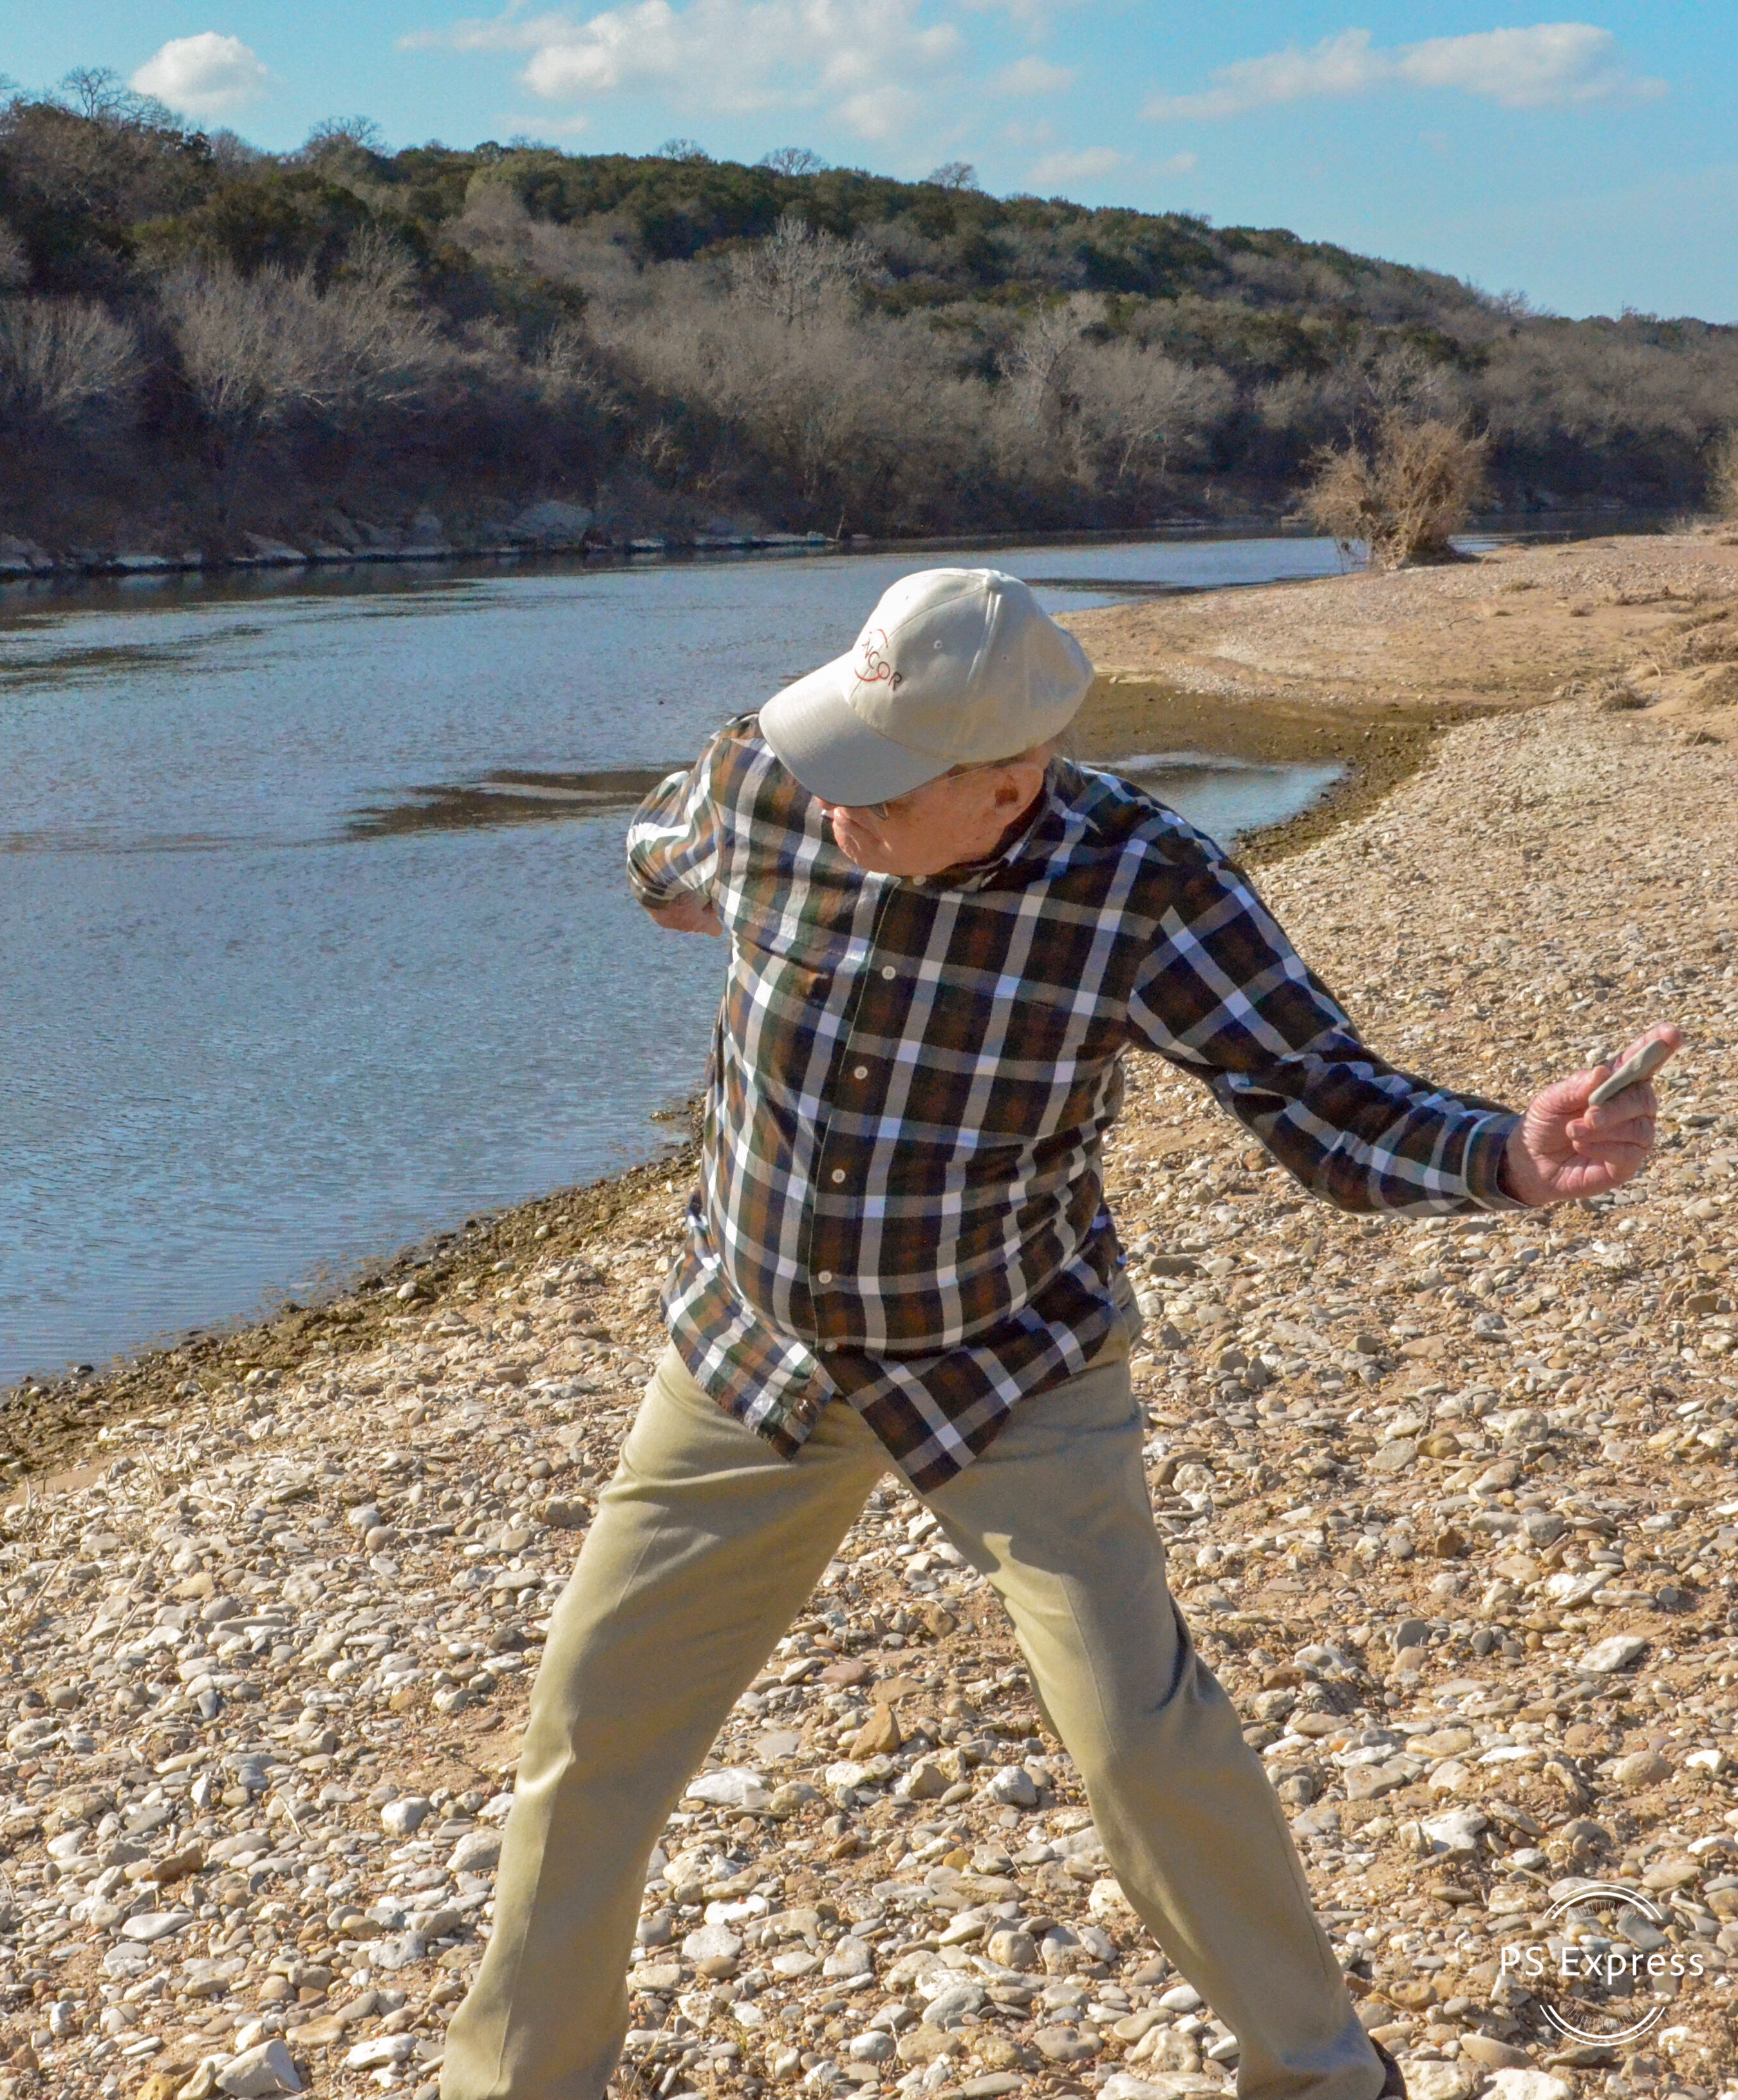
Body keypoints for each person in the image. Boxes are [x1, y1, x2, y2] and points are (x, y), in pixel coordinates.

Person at [438, 568, 1679, 2100]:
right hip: (749, 1344)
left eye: (885, 794)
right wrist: (701, 884)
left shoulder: (1145, 885)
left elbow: (1318, 1096)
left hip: (1009, 1363)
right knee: (589, 1721)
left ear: (1010, 785)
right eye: (838, 760)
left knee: (1140, 1739)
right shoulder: (776, 770)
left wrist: (1504, 1151)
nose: (839, 808)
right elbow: (666, 847)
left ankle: (1324, 2077)